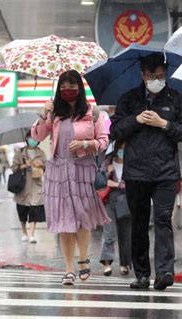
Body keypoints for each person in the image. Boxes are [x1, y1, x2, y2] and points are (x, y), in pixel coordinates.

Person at [110, 53, 182, 291]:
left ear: (165, 73)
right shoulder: (129, 99)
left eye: (160, 75)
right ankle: (142, 274)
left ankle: (165, 271)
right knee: (139, 223)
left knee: (163, 220)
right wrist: (136, 119)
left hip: (166, 172)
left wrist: (163, 123)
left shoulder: (176, 99)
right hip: (136, 172)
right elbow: (115, 130)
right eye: (151, 75)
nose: (156, 79)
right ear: (142, 74)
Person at [31, 70, 110, 285]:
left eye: (72, 85)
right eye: (64, 85)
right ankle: (68, 268)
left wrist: (86, 144)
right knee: (64, 221)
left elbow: (104, 141)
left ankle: (83, 259)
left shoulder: (93, 113)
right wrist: (43, 115)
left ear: (80, 88)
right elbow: (37, 137)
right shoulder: (54, 113)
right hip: (58, 171)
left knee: (82, 217)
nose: (68, 89)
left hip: (82, 170)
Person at [99, 140, 131, 277]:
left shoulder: (131, 164)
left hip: (125, 201)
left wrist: (117, 185)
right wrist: (108, 174)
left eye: (124, 148)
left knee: (126, 234)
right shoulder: (107, 163)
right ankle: (107, 263)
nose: (122, 151)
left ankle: (125, 263)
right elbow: (99, 181)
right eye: (120, 148)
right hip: (109, 201)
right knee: (109, 232)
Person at [11, 131, 46, 244]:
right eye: (31, 137)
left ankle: (31, 234)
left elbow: (47, 168)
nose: (33, 140)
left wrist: (40, 164)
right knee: (22, 212)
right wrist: (24, 165)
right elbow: (13, 168)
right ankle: (24, 232)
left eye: (35, 137)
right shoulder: (20, 153)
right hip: (22, 186)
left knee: (34, 210)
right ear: (26, 138)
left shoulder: (41, 153)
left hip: (36, 185)